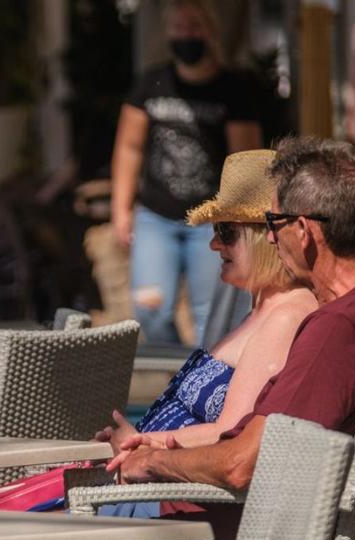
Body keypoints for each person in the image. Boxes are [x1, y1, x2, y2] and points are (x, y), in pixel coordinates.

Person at [107, 137, 355, 540]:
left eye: (274, 224)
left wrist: (152, 462)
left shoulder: (338, 328)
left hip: (220, 526)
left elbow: (240, 465)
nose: (272, 241)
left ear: (303, 230)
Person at [90, 150, 317, 518]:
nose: (214, 244)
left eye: (226, 233)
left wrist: (144, 443)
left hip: (180, 503)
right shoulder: (260, 308)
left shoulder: (286, 316)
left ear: (265, 237)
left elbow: (232, 433)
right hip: (155, 486)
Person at [109, 0, 263, 345]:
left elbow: (245, 159)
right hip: (155, 216)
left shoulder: (233, 90)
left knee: (212, 315)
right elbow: (128, 147)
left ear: (210, 32)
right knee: (150, 309)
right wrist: (121, 208)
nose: (185, 35)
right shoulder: (151, 83)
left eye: (193, 27)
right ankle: (181, 377)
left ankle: (205, 387)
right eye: (178, 28)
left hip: (208, 220)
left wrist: (239, 221)